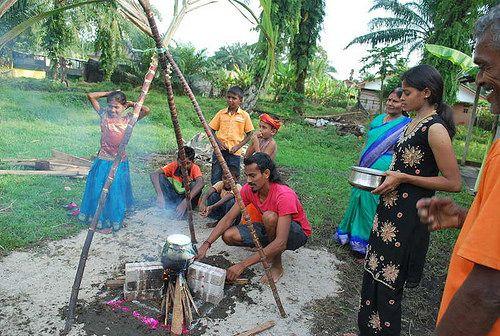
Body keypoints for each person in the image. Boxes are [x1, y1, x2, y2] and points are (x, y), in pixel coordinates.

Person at [356, 64, 462, 335]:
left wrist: (404, 178)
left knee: (390, 286)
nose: (401, 98)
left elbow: (453, 183)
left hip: (408, 218)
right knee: (373, 277)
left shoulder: (435, 129)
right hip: (388, 212)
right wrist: (391, 177)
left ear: (426, 93)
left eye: (407, 92)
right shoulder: (411, 122)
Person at [416, 7, 500, 336]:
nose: (479, 79)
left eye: (484, 66)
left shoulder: (435, 129)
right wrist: (469, 219)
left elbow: (488, 288)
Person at [196, 152, 311, 283]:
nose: (248, 180)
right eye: (246, 176)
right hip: (271, 227)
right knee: (228, 235)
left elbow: (281, 242)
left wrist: (242, 265)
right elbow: (228, 218)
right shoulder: (248, 189)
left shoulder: (284, 195)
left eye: (253, 176)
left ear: (266, 174)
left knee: (269, 217)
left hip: (296, 233)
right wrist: (207, 244)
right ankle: (267, 251)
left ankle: (277, 266)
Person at [334, 88, 411, 258]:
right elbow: (368, 142)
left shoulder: (406, 124)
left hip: (383, 169)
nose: (391, 104)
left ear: (403, 104)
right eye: (389, 100)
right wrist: (360, 161)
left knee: (371, 202)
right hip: (365, 165)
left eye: (395, 101)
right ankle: (348, 233)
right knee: (357, 198)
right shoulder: (378, 119)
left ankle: (364, 242)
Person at [79, 90, 150, 234]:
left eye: (116, 107)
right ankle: (99, 217)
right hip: (103, 160)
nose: (112, 110)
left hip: (119, 161)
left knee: (116, 191)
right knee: (99, 188)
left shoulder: (130, 119)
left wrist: (131, 104)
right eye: (110, 106)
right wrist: (109, 93)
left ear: (124, 107)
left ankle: (115, 218)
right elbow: (91, 96)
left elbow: (146, 110)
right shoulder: (104, 115)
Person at [209, 86, 254, 184]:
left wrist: (238, 146)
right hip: (219, 151)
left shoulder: (244, 116)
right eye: (228, 97)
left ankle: (231, 198)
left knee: (233, 179)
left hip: (235, 153)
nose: (230, 100)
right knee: (216, 177)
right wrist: (218, 143)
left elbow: (250, 133)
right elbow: (210, 130)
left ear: (240, 100)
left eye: (234, 98)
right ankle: (215, 197)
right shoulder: (221, 113)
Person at [150, 146, 204, 219]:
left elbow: (201, 183)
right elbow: (154, 174)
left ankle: (186, 209)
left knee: (195, 185)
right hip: (174, 197)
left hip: (187, 200)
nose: (184, 166)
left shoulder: (195, 168)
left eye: (188, 163)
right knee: (160, 177)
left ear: (193, 162)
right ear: (178, 160)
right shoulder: (173, 165)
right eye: (182, 162)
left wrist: (185, 202)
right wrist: (160, 195)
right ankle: (169, 205)